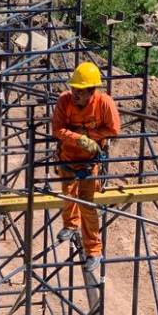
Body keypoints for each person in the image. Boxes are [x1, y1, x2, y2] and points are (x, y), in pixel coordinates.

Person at [51, 61, 121, 281]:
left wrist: (89, 138)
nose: (75, 95)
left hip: (90, 162)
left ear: (92, 91)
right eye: (73, 90)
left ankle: (94, 250)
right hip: (68, 158)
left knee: (88, 205)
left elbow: (113, 129)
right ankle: (70, 226)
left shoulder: (104, 104)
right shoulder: (65, 101)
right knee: (68, 194)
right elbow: (57, 129)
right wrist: (78, 138)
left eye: (80, 92)